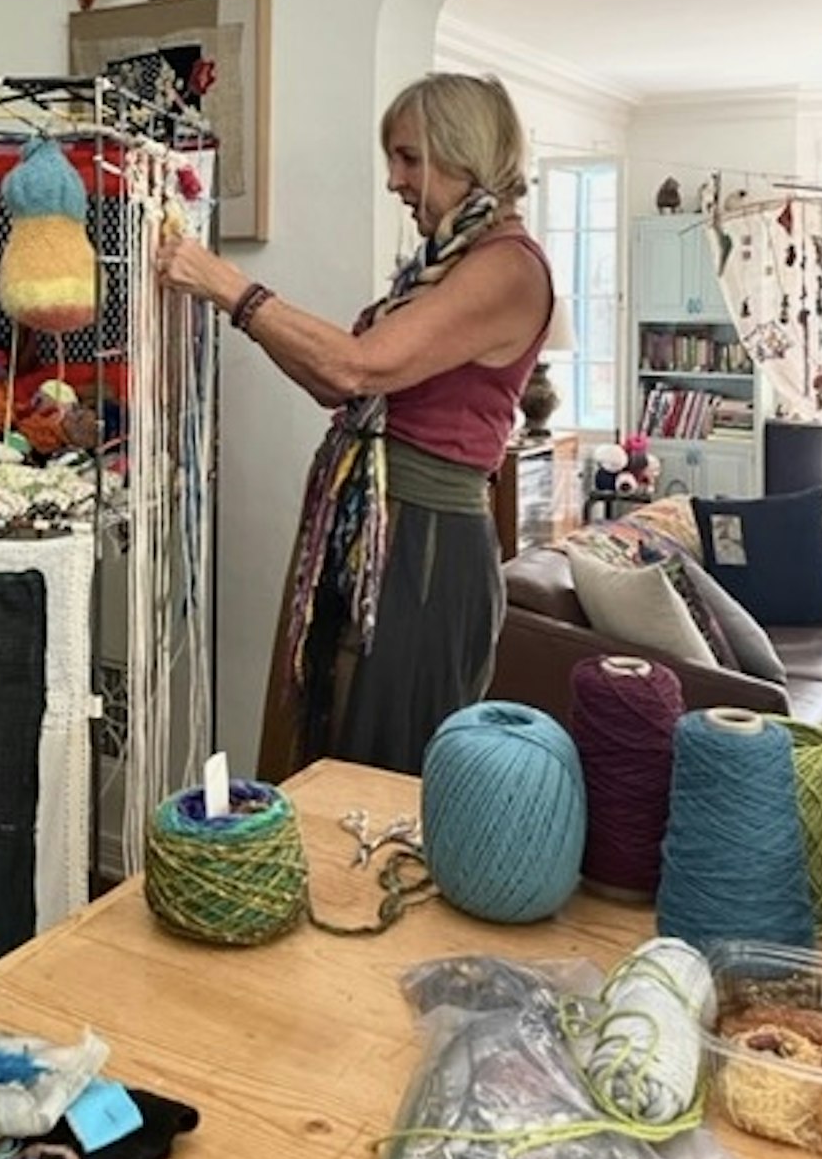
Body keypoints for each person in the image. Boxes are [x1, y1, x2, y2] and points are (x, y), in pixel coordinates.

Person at [155, 71, 554, 777]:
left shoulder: (509, 268)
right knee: (333, 740)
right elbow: (331, 382)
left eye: (409, 158)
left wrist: (224, 282)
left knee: (382, 770)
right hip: (375, 526)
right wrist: (232, 304)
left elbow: (354, 368)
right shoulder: (444, 265)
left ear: (462, 153)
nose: (395, 180)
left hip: (424, 545)